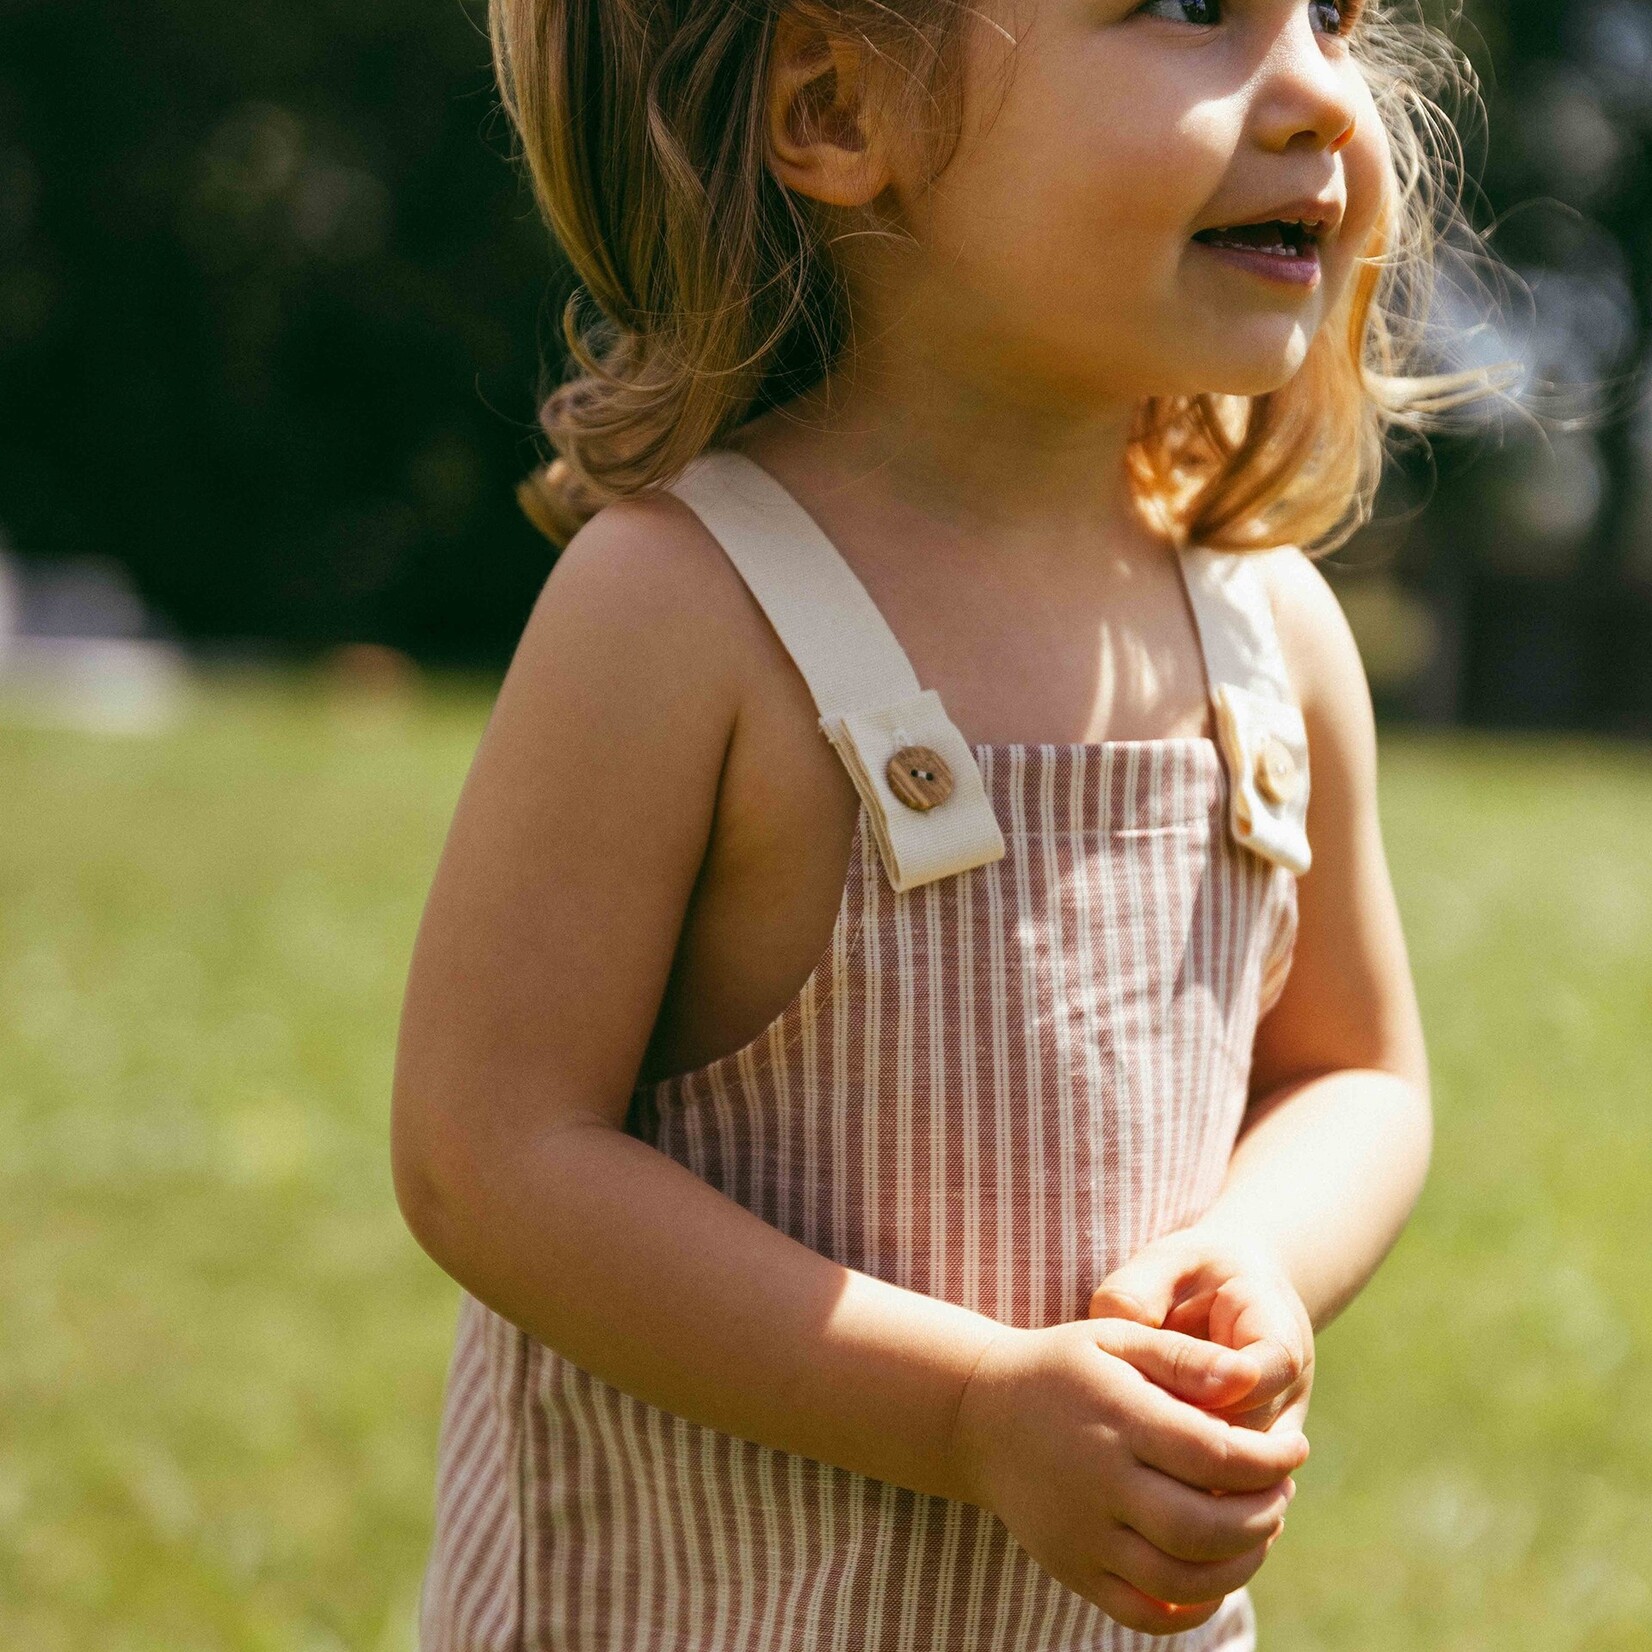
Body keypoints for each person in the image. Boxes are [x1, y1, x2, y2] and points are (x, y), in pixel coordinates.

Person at [391, 2, 1505, 1646]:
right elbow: (486, 1157)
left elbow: (1356, 1075)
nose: (1323, 98)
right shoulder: (685, 613)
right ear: (841, 109)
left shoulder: (1271, 643)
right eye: (1190, 7)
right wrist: (971, 1413)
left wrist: (1261, 1258)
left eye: (1331, 15)